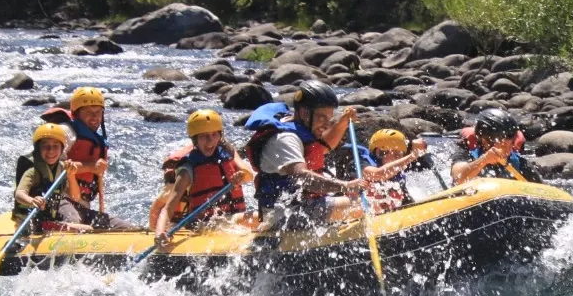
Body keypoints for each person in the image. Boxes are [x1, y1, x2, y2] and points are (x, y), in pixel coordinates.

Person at [245, 81, 366, 224]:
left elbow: (323, 148)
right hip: (284, 214)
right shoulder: (285, 139)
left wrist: (343, 122)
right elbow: (302, 176)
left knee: (361, 200)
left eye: (329, 118)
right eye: (322, 117)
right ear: (304, 113)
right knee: (362, 203)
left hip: (300, 206)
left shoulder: (300, 128)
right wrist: (344, 186)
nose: (327, 124)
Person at [152, 109, 255, 248]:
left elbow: (249, 175)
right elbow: (168, 208)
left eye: (214, 135)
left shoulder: (228, 152)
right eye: (204, 136)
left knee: (263, 216)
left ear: (220, 136)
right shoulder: (188, 169)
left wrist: (241, 175)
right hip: (205, 224)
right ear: (195, 139)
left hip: (231, 217)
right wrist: (160, 232)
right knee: (261, 219)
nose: (210, 140)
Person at [37, 86, 136, 230]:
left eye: (98, 112)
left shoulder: (96, 140)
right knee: (75, 222)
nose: (95, 117)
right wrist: (90, 166)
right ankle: (49, 226)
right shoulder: (66, 131)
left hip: (81, 205)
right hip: (58, 200)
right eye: (89, 112)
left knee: (128, 228)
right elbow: (51, 163)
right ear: (77, 114)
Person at [14, 123, 91, 232]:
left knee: (84, 226)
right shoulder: (33, 172)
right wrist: (32, 201)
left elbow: (75, 197)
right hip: (30, 219)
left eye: (56, 146)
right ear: (38, 148)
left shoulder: (61, 168)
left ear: (62, 149)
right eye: (45, 146)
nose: (51, 150)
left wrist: (71, 175)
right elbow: (19, 194)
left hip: (48, 219)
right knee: (85, 228)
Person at [452, 108, 539, 184]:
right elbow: (458, 179)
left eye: (511, 144)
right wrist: (484, 160)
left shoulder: (521, 165)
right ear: (484, 140)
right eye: (503, 145)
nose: (508, 151)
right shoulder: (466, 153)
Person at [362, 128, 430, 213]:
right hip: (368, 211)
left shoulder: (400, 165)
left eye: (400, 153)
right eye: (396, 154)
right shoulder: (363, 163)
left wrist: (414, 145)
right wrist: (413, 155)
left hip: (398, 211)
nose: (399, 158)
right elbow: (378, 174)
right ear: (380, 153)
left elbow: (421, 144)